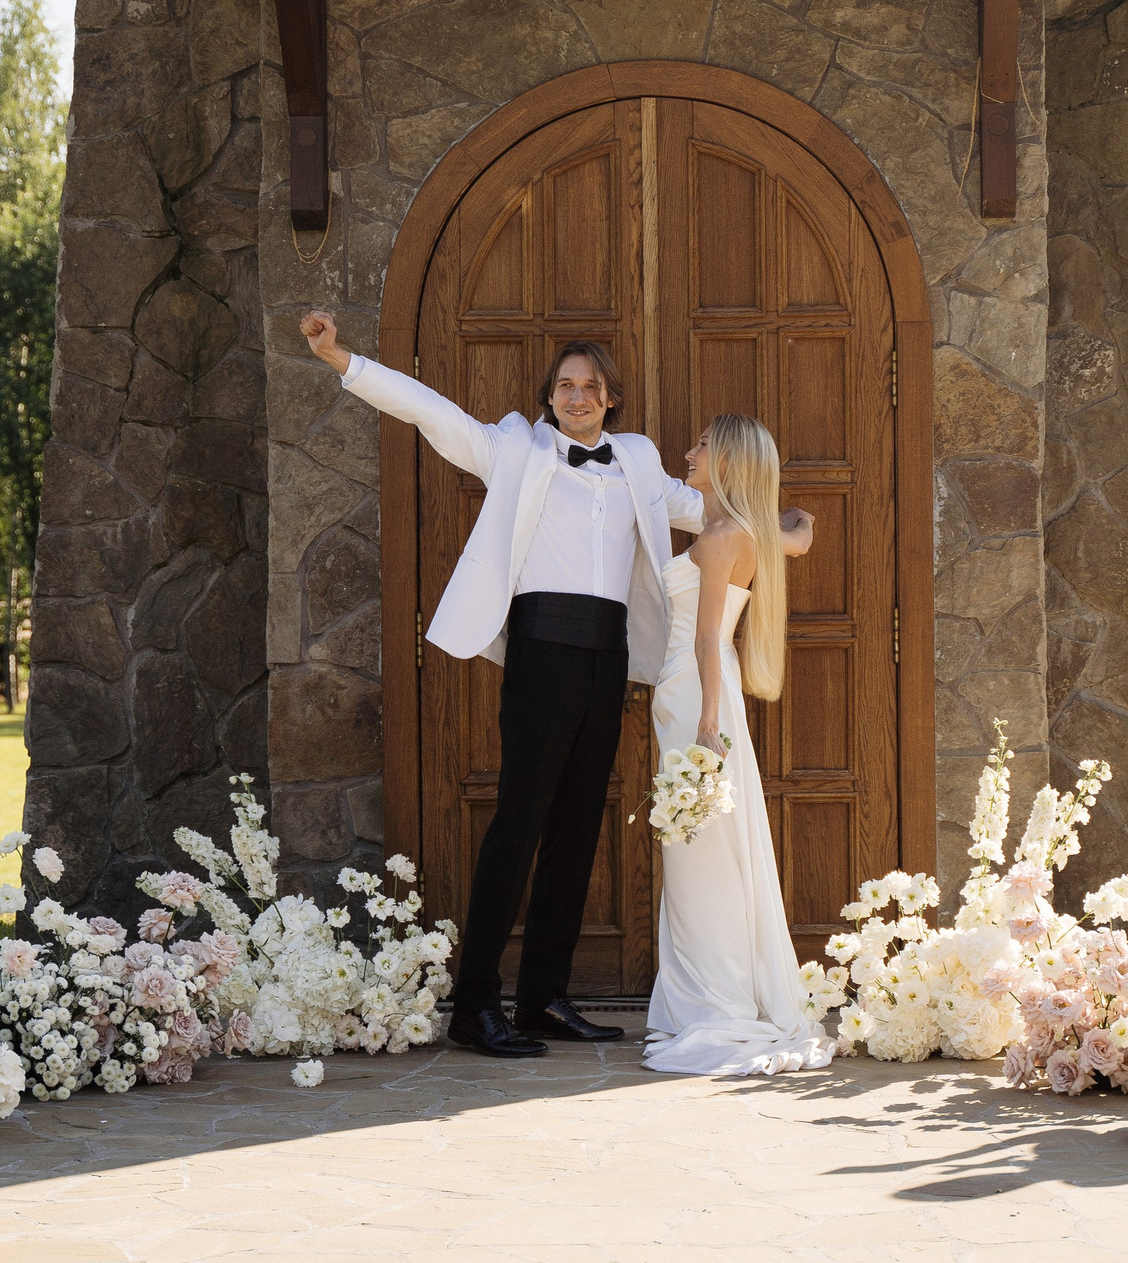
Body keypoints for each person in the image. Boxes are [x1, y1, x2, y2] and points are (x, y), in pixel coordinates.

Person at [298, 310, 809, 1056]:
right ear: (549, 398)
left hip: (608, 658)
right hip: (541, 651)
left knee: (576, 828)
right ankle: (476, 1004)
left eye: (591, 386)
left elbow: (730, 516)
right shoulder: (515, 448)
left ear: (610, 399)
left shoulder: (635, 460)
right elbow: (430, 411)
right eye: (565, 386)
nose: (577, 396)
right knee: (519, 822)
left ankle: (543, 997)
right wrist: (342, 358)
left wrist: (794, 528)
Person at [642, 416, 833, 1077]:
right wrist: (796, 516)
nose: (687, 452)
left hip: (699, 693)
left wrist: (705, 724)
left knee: (701, 848)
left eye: (700, 446)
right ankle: (713, 990)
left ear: (725, 462)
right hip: (694, 692)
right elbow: (801, 534)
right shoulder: (754, 531)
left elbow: (703, 637)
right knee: (701, 842)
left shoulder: (725, 536)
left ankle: (715, 1003)